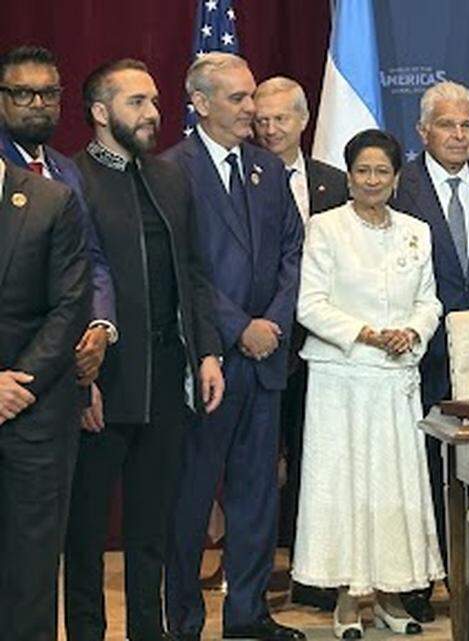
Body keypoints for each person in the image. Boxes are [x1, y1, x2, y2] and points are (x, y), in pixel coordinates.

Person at [61, 59, 226, 641]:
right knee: (84, 533)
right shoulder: (70, 179)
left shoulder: (170, 177)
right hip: (102, 382)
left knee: (151, 528)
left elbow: (194, 273)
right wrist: (82, 382)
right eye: (136, 102)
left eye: (154, 100)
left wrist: (207, 352)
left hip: (166, 377)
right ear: (101, 113)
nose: (152, 113)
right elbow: (69, 290)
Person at [162, 52, 304, 641]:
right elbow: (182, 269)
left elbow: (295, 254)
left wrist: (270, 322)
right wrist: (236, 325)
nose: (255, 111)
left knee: (255, 499)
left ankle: (247, 616)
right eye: (240, 99)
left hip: (265, 363)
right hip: (208, 362)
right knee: (192, 500)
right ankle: (183, 621)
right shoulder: (172, 170)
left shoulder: (267, 171)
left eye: (254, 97)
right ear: (200, 103)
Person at [292, 128, 444, 640]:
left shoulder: (416, 231)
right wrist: (366, 334)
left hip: (397, 379)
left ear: (397, 178)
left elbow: (429, 302)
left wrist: (412, 331)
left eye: (382, 171)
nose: (372, 180)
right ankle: (345, 600)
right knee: (343, 487)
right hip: (342, 377)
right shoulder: (325, 228)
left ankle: (392, 596)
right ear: (348, 176)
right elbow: (310, 304)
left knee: (393, 488)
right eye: (363, 171)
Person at [390, 79, 469, 622]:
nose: (458, 135)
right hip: (417, 351)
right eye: (446, 124)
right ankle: (421, 574)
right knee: (419, 466)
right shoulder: (399, 186)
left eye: (467, 125)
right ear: (422, 132)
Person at [253, 75, 349, 611]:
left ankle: (314, 567)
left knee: (319, 460)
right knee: (259, 461)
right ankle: (257, 559)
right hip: (264, 339)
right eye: (261, 120)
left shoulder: (335, 182)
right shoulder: (244, 178)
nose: (269, 129)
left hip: (327, 349)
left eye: (280, 119)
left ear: (304, 120)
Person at [0, 45, 118, 423]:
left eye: (49, 93)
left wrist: (100, 325)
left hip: (62, 382)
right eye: (23, 93)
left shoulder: (66, 171)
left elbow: (91, 259)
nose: (38, 103)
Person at [0, 157, 91, 640]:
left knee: (31, 569)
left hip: (33, 415)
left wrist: (20, 385)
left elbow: (71, 305)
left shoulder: (51, 200)